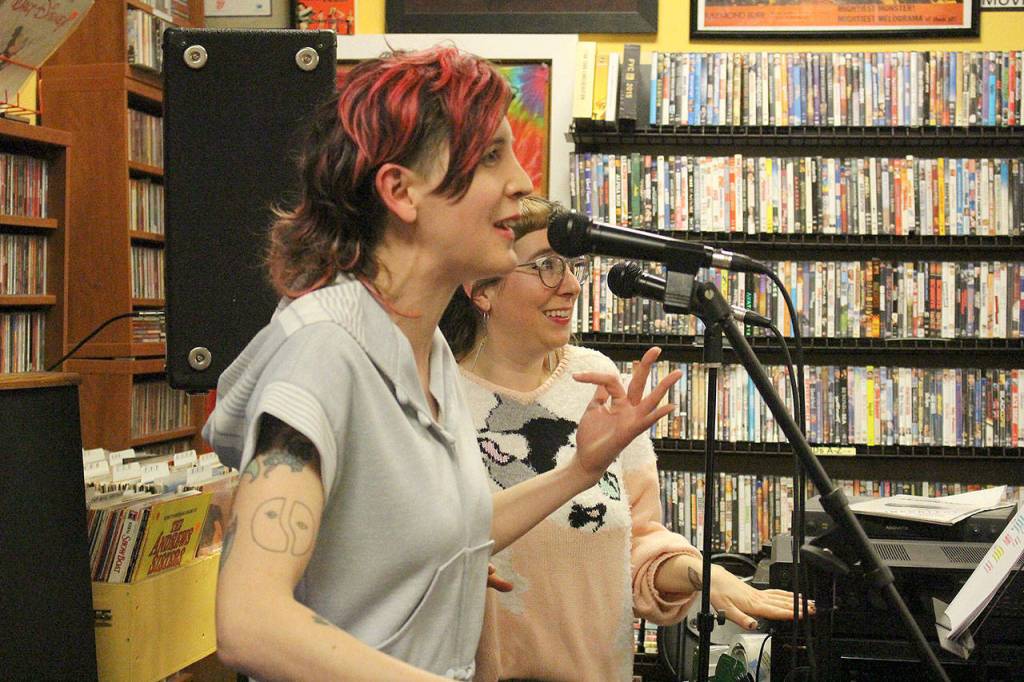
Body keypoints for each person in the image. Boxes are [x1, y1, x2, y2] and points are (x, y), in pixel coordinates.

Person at [203, 47, 681, 681]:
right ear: (401, 191)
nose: (521, 181)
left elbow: (450, 530)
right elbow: (250, 622)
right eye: (490, 156)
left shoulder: (425, 353)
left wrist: (582, 470)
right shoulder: (325, 355)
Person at [440, 195, 806, 681]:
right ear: (481, 289)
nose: (571, 285)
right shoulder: (438, 395)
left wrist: (701, 574)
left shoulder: (594, 377)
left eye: (572, 266)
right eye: (547, 265)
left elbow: (638, 540)